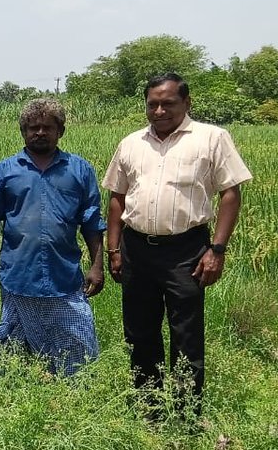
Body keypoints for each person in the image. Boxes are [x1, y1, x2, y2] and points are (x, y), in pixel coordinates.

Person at [103, 72, 252, 413]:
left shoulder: (211, 138)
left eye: (168, 103)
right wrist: (114, 249)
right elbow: (117, 197)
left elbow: (231, 193)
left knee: (185, 333)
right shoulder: (131, 143)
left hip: (187, 251)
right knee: (140, 332)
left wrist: (217, 250)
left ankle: (185, 413)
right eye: (152, 104)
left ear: (186, 102)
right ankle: (149, 408)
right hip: (137, 249)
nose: (159, 111)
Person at [0, 99, 105, 376]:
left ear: (61, 131)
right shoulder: (4, 172)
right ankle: (2, 383)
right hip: (18, 274)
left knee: (79, 337)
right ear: (23, 131)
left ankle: (74, 388)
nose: (40, 133)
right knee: (11, 340)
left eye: (47, 127)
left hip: (64, 276)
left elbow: (92, 221)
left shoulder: (79, 171)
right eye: (33, 127)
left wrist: (97, 265)